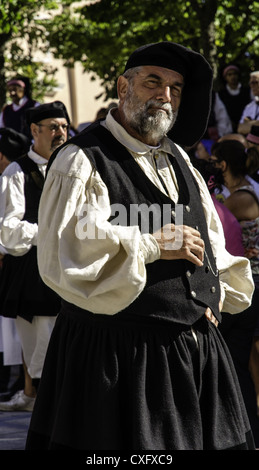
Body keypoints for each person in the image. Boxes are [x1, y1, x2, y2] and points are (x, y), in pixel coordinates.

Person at [26, 42, 255, 451]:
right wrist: (150, 244)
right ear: (123, 87)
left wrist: (212, 294)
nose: (165, 95)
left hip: (192, 354)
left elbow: (211, 242)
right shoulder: (80, 160)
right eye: (153, 82)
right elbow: (62, 255)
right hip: (115, 359)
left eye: (176, 88)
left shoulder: (181, 160)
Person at [0, 101, 70, 412]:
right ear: (34, 131)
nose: (61, 133)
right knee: (42, 358)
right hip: (32, 278)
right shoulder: (17, 172)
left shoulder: (73, 168)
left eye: (64, 127)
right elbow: (8, 230)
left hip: (72, 276)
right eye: (54, 127)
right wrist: (49, 232)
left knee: (72, 357)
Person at [210, 139, 259, 446]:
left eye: (215, 161)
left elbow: (214, 218)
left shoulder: (241, 198)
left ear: (223, 165)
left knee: (248, 364)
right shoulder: (239, 193)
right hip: (249, 284)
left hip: (253, 286)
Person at [0, 128, 30, 400]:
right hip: (11, 259)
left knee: (21, 333)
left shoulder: (15, 176)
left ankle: (25, 385)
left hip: (17, 260)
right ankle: (18, 382)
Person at [218, 65, 252, 132]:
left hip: (246, 126)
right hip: (228, 128)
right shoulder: (220, 94)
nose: (233, 77)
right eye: (229, 74)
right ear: (225, 77)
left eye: (234, 74)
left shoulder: (247, 91)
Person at [238, 71, 259, 136]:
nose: (252, 86)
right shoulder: (249, 107)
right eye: (250, 83)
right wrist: (256, 124)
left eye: (255, 82)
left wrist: (249, 124)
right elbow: (240, 129)